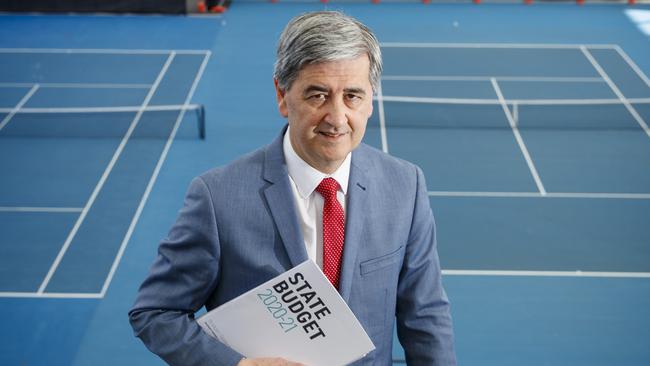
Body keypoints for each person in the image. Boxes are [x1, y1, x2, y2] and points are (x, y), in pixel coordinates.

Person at [129, 11, 456, 366]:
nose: (337, 117)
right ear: (283, 95)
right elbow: (156, 312)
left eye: (352, 96)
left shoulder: (405, 186)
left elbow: (425, 319)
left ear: (371, 99)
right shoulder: (217, 198)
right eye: (318, 95)